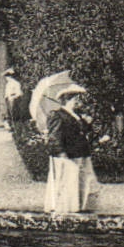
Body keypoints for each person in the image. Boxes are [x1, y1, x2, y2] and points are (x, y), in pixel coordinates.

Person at [45, 85, 100, 214]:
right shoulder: (57, 115)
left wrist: (88, 123)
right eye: (75, 99)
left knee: (83, 179)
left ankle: (81, 205)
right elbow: (55, 136)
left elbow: (82, 132)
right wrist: (61, 152)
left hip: (81, 152)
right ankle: (66, 207)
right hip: (68, 153)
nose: (78, 102)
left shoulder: (76, 115)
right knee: (68, 181)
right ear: (67, 100)